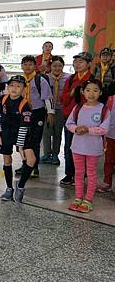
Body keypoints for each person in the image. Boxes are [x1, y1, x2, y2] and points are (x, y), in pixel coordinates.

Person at [65, 79, 109, 213]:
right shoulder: (78, 107)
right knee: (78, 173)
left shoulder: (104, 109)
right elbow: (69, 123)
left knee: (91, 173)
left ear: (100, 92)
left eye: (95, 90)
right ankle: (78, 198)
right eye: (88, 90)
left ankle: (88, 200)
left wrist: (88, 130)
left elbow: (104, 128)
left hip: (93, 149)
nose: (91, 94)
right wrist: (77, 129)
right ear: (83, 92)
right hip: (77, 147)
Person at [0, 75, 34, 203]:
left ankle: (21, 186)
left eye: (18, 86)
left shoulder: (25, 105)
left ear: (24, 89)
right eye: (12, 85)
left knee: (30, 159)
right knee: (7, 160)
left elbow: (24, 126)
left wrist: (20, 146)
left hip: (21, 134)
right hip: (6, 132)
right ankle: (9, 188)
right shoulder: (3, 99)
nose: (14, 89)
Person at [14, 55, 53, 178]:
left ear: (35, 66)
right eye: (25, 64)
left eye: (30, 64)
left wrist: (50, 112)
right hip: (23, 113)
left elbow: (48, 97)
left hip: (37, 112)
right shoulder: (19, 81)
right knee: (24, 139)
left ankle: (34, 167)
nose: (27, 67)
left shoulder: (39, 80)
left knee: (35, 141)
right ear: (21, 66)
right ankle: (25, 164)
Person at [59, 52, 93, 186]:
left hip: (86, 118)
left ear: (89, 64)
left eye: (81, 62)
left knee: (84, 147)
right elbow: (63, 99)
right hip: (71, 117)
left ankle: (82, 174)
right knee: (69, 146)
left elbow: (95, 100)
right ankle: (69, 173)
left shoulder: (92, 80)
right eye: (75, 62)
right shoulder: (71, 79)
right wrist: (72, 93)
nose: (77, 64)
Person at [40, 56, 68, 165]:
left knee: (57, 132)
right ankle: (46, 154)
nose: (57, 68)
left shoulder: (67, 78)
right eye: (54, 66)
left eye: (60, 66)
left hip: (61, 109)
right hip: (47, 109)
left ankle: (55, 155)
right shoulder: (44, 78)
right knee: (46, 132)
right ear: (50, 66)